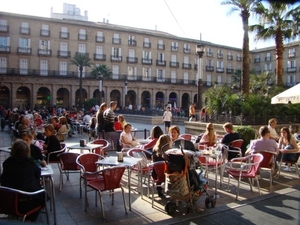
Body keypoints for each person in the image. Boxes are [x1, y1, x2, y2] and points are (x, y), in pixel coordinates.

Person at [0, 140, 45, 221]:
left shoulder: (7, 163)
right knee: (43, 195)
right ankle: (29, 220)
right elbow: (38, 173)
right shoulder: (29, 162)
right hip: (25, 205)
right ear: (27, 151)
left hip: (6, 203)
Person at [152, 134, 172, 199]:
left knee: (160, 172)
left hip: (157, 174)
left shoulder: (155, 150)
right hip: (168, 175)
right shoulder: (170, 152)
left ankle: (159, 190)